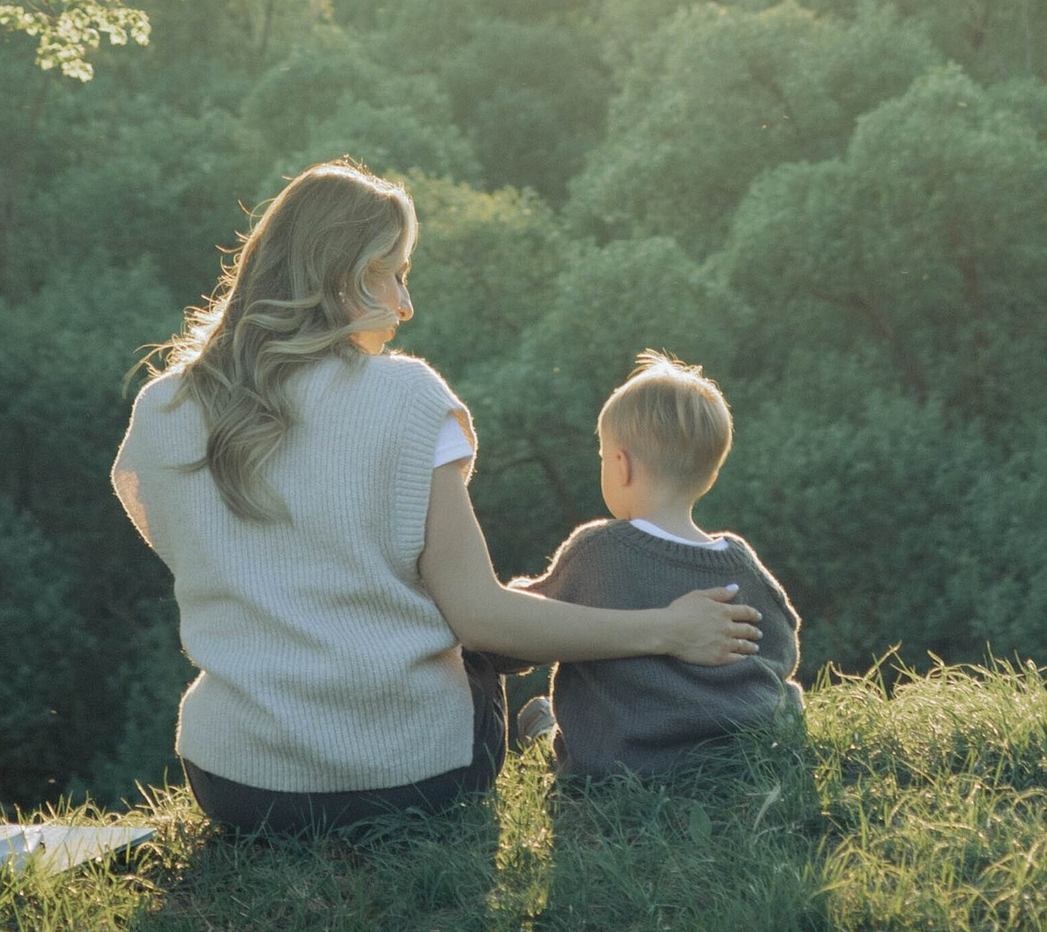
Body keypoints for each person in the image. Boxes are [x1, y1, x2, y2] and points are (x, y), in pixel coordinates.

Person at [110, 163, 763, 836]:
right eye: (394, 274)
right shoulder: (408, 398)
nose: (405, 304)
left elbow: (196, 549)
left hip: (237, 785)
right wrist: (669, 628)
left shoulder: (162, 410)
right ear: (344, 275)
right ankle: (562, 734)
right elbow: (480, 619)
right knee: (478, 653)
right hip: (411, 780)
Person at [524, 350, 804, 782]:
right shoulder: (740, 560)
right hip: (737, 756)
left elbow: (520, 628)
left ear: (621, 466)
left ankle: (542, 727)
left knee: (540, 718)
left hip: (625, 763)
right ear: (710, 476)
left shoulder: (598, 550)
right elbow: (783, 645)